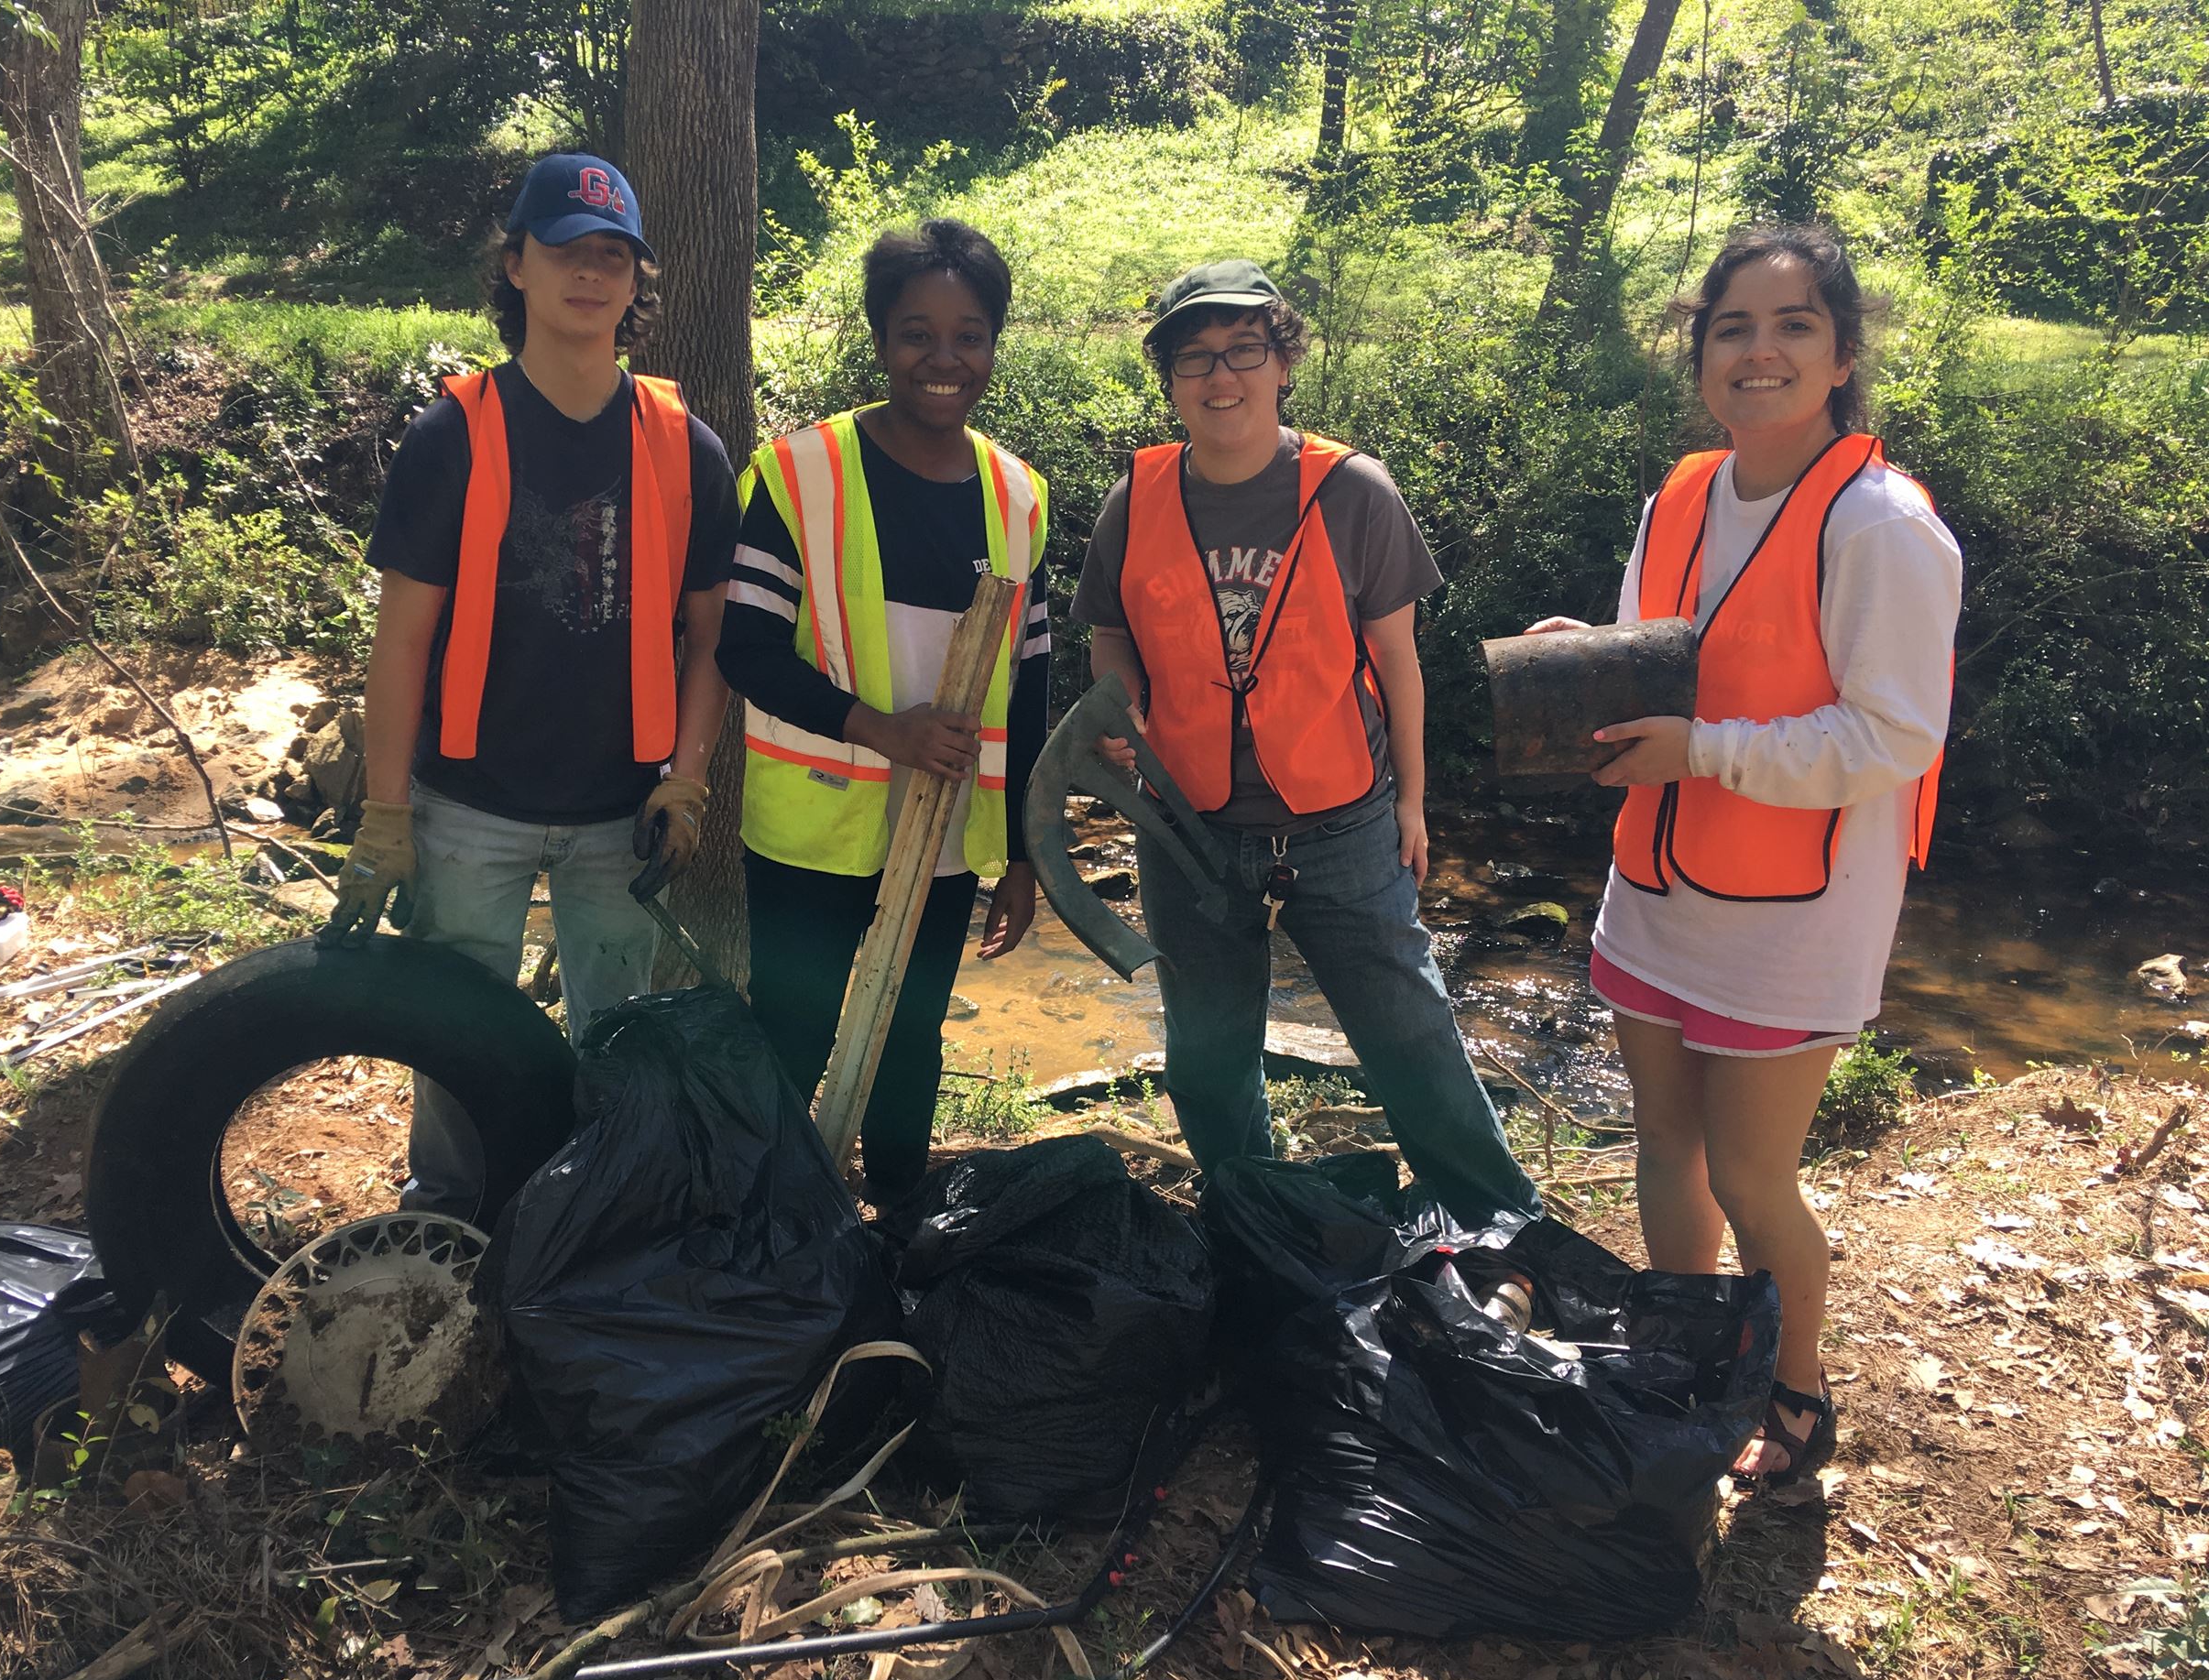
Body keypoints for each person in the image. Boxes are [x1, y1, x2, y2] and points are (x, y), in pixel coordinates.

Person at [1527, 222, 1961, 1484]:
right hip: (1661, 885)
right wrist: (1583, 654)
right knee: (1666, 1146)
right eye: (1733, 327)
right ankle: (1685, 1352)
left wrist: (1704, 749)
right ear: (1701, 352)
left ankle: (1797, 1387)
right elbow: (1652, 649)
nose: (1758, 351)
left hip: (1795, 911)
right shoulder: (1684, 490)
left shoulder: (1883, 527)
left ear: (1840, 357)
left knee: (1754, 1174)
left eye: (1792, 327)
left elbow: (1892, 737)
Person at [1075, 259, 1537, 1228]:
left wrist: (1410, 804)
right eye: (1194, 356)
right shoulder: (1138, 496)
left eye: (1243, 349)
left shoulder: (1352, 491)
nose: (1220, 376)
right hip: (1187, 827)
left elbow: (1396, 662)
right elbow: (1107, 628)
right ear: (1168, 378)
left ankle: (1502, 1224)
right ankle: (1253, 1211)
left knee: (1406, 1033)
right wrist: (1119, 705)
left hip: (1340, 822)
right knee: (1205, 1051)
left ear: (1282, 362)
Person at [323, 151, 741, 1217]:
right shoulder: (451, 435)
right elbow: (403, 642)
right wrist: (383, 812)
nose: (589, 275)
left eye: (613, 257)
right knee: (458, 1032)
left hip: (619, 809)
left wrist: (685, 780)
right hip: (469, 802)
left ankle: (589, 1215)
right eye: (564, 251)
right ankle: (453, 1214)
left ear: (636, 283)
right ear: (515, 264)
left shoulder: (682, 446)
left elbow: (711, 639)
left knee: (614, 1033)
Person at [717, 219, 1051, 1234]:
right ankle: (774, 1227)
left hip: (945, 835)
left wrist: (1027, 854)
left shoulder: (1018, 494)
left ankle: (900, 1220)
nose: (942, 361)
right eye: (916, 334)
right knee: (792, 1025)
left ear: (993, 345)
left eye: (968, 336)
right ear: (879, 340)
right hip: (811, 827)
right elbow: (744, 651)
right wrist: (881, 729)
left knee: (913, 1031)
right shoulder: (797, 474)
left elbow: (1029, 683)